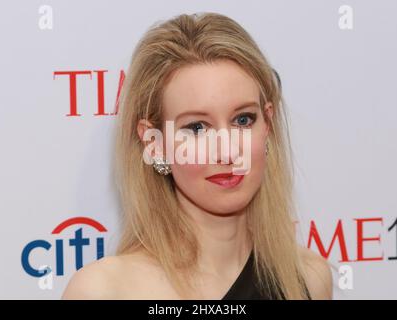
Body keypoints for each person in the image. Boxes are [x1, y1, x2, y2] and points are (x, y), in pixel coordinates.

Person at [62, 12, 333, 300]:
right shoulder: (104, 291)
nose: (227, 152)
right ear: (154, 143)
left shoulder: (308, 278)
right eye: (196, 127)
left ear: (267, 124)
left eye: (243, 120)